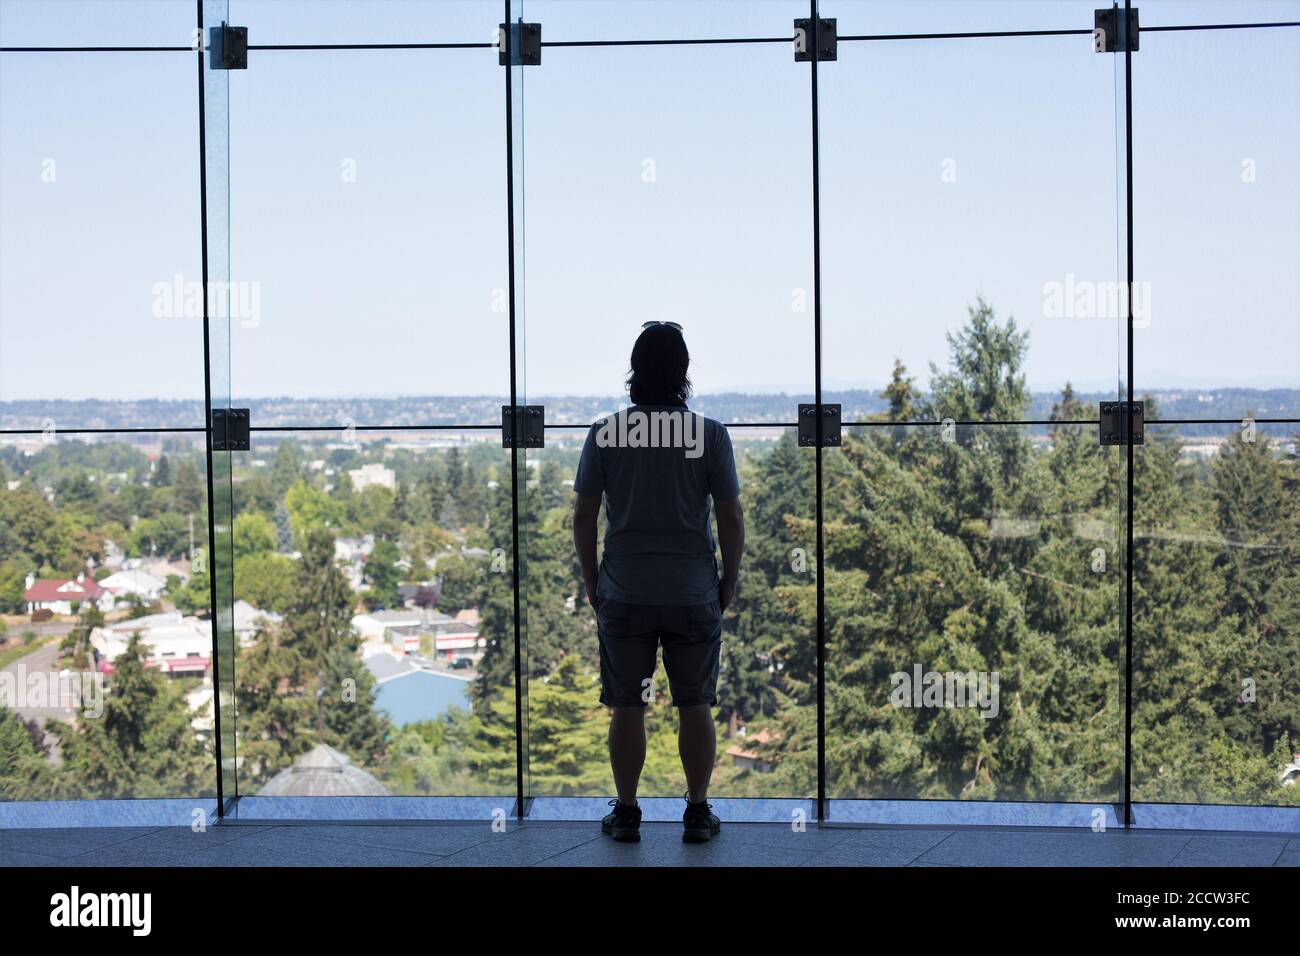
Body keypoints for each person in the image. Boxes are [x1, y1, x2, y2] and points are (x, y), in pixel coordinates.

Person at [572, 321, 745, 843]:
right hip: (693, 591)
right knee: (695, 704)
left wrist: (590, 581)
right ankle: (696, 813)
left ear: (634, 373)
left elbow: (584, 516)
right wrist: (728, 580)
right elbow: (731, 517)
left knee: (627, 706)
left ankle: (626, 814)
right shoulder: (709, 434)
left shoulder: (606, 433)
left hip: (623, 591)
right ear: (684, 373)